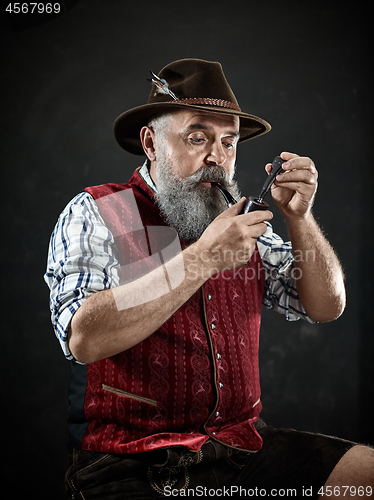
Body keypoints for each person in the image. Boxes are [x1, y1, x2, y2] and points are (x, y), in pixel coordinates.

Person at [45, 59, 374, 499]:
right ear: (151, 143)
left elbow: (326, 305)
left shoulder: (237, 220)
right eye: (197, 137)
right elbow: (83, 338)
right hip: (130, 462)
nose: (216, 156)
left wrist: (300, 217)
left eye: (229, 142)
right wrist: (202, 258)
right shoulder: (100, 212)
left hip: (242, 449)